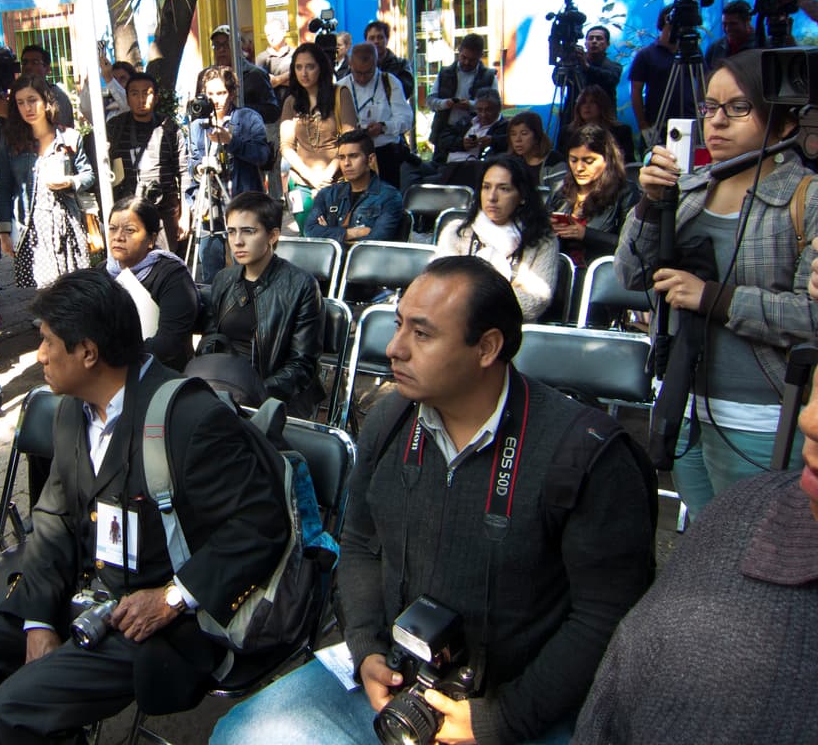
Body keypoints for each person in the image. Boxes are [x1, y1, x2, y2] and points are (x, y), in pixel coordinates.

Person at [210, 256, 656, 745]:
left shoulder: (588, 456)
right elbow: (359, 543)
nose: (394, 348)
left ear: (487, 347)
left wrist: (500, 720)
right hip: (397, 678)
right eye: (399, 324)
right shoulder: (390, 420)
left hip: (520, 703)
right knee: (239, 735)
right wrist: (366, 649)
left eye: (421, 334)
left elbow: (605, 618)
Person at [0, 268, 288, 745]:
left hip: (164, 621)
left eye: (46, 342)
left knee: (19, 706)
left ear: (88, 352)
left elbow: (259, 525)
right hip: (89, 589)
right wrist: (39, 618)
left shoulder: (189, 418)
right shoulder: (72, 407)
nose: (37, 356)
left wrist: (171, 599)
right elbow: (54, 518)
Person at [615, 49, 817, 518]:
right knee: (703, 546)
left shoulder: (805, 200)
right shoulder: (689, 187)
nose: (717, 122)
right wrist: (648, 205)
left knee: (752, 549)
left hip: (763, 416)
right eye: (709, 107)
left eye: (738, 108)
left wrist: (714, 298)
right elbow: (630, 273)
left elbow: (810, 318)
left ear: (785, 124)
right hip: (683, 406)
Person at [572, 363, 818, 743]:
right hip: (691, 403)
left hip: (748, 415)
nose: (809, 421)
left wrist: (724, 303)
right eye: (816, 388)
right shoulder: (743, 508)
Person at [203, 191, 324, 417]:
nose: (237, 241)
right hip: (224, 388)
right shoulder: (224, 279)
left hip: (275, 397)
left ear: (273, 235)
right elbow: (211, 340)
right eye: (231, 232)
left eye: (249, 231)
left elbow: (302, 364)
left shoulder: (301, 286)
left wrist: (255, 392)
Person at [0, 75, 94, 288]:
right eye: (20, 103)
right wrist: (3, 232)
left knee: (75, 288)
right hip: (32, 226)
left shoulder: (68, 137)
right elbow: (3, 187)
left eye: (32, 100)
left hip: (66, 221)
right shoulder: (11, 140)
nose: (27, 108)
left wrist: (70, 182)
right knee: (47, 293)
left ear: (45, 101)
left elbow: (88, 175)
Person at [434, 154, 559, 320]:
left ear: (522, 196)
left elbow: (535, 302)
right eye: (486, 187)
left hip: (513, 333)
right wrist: (510, 290)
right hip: (457, 326)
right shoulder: (456, 232)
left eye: (504, 189)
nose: (492, 197)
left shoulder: (543, 240)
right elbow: (442, 289)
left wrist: (468, 290)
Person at [189, 64, 270, 282]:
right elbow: (192, 163)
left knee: (246, 269)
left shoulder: (248, 118)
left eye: (221, 93)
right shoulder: (198, 125)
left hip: (241, 202)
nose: (216, 99)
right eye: (210, 93)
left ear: (232, 92)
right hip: (210, 207)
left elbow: (262, 155)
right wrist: (199, 167)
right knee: (210, 272)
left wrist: (231, 142)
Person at [102, 197, 199, 370]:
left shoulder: (172, 275)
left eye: (129, 230)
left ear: (151, 239)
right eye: (112, 229)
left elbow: (169, 343)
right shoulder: (103, 272)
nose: (118, 237)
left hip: (162, 372)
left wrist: (115, 360)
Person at [105, 73, 191, 254]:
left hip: (164, 210)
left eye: (147, 93)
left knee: (165, 263)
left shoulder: (169, 127)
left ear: (157, 97)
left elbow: (184, 172)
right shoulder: (115, 127)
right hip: (127, 209)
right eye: (135, 93)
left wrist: (185, 216)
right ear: (127, 98)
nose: (141, 99)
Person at [279, 42, 358, 230]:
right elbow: (286, 147)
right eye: (298, 67)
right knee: (309, 235)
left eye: (310, 66)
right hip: (300, 182)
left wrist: (326, 177)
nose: (304, 73)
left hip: (337, 180)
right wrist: (311, 178)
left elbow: (349, 141)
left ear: (321, 68)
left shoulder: (340, 94)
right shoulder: (291, 101)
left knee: (334, 235)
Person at [549, 123, 638, 265]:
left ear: (607, 161)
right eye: (573, 160)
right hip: (560, 268)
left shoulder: (624, 192)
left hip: (601, 272)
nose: (579, 168)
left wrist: (585, 234)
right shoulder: (560, 190)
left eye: (588, 161)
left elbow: (633, 246)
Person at [304, 130, 403, 244]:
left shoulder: (389, 196)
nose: (346, 163)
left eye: (353, 156)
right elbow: (309, 231)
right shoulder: (327, 194)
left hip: (366, 260)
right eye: (342, 157)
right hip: (331, 260)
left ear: (370, 159)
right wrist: (353, 233)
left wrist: (328, 234)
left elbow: (375, 241)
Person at [338, 42, 413, 186]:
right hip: (352, 156)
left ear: (376, 63)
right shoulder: (341, 87)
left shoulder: (389, 82)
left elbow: (406, 118)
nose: (362, 78)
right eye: (358, 73)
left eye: (368, 73)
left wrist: (384, 127)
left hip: (385, 154)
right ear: (350, 64)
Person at [628, 4, 700, 147]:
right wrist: (643, 124)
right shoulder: (646, 55)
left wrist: (704, 117)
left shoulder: (693, 52)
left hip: (689, 120)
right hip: (658, 123)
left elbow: (705, 84)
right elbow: (636, 91)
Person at [425, 33, 497, 164]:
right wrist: (446, 103)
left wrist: (471, 105)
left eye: (472, 60)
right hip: (445, 134)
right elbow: (430, 102)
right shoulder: (445, 73)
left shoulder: (489, 76)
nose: (466, 62)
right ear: (459, 51)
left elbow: (495, 106)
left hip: (476, 134)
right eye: (463, 57)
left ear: (480, 56)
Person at [556, 84, 635, 164]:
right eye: (583, 102)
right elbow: (561, 163)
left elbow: (628, 162)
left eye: (593, 102)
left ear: (602, 106)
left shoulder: (621, 131)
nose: (587, 106)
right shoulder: (567, 133)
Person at [19, 44, 76, 128]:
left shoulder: (56, 96)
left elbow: (54, 130)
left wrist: (8, 114)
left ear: (47, 69)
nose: (28, 66)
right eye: (25, 63)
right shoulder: (19, 94)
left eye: (35, 62)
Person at [507, 110, 566, 188]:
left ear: (537, 136)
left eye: (524, 133)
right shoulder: (511, 163)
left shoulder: (554, 162)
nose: (517, 139)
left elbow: (560, 196)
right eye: (513, 134)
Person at [567, 25, 623, 105]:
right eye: (590, 38)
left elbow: (611, 79)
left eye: (599, 38)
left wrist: (587, 67)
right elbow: (557, 80)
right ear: (585, 43)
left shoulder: (614, 66)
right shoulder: (575, 62)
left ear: (607, 44)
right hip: (574, 112)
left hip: (603, 114)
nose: (594, 41)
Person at [363, 19, 414, 99]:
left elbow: (406, 91)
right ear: (366, 41)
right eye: (372, 38)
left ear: (387, 40)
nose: (376, 41)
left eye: (380, 37)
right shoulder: (358, 66)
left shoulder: (401, 64)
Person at [703, 0, 756, 71]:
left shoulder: (761, 45)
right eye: (724, 24)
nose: (727, 28)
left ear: (747, 21)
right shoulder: (715, 48)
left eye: (733, 24)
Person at [256, 18, 295, 115]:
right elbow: (265, 84)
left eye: (274, 33)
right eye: (268, 35)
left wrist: (276, 80)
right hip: (272, 112)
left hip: (294, 107)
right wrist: (290, 74)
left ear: (283, 32)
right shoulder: (262, 58)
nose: (271, 38)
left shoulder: (296, 54)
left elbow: (299, 81)